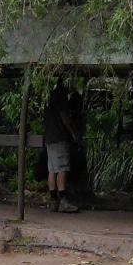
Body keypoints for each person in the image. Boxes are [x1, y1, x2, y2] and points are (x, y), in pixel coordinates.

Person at [43, 80, 80, 213]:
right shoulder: (61, 99)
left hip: (49, 138)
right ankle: (63, 201)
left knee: (52, 169)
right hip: (59, 138)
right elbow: (65, 118)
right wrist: (74, 133)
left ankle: (54, 200)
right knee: (62, 168)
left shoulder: (49, 100)